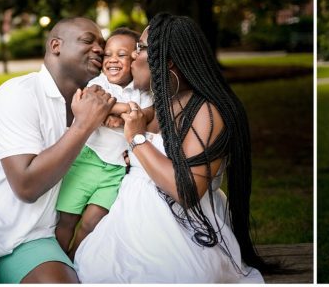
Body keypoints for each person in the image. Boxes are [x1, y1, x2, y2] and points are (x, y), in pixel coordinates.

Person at [74, 14, 265, 283]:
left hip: (178, 236)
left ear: (168, 60)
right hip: (128, 226)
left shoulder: (206, 111)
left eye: (139, 48)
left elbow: (186, 190)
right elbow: (134, 116)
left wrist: (137, 140)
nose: (133, 57)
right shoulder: (167, 103)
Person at [0, 18, 116, 284]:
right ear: (56, 46)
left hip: (34, 237)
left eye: (102, 44)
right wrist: (83, 126)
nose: (99, 49)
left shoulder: (91, 103)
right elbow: (26, 185)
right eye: (88, 40)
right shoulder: (18, 94)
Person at [55, 27, 153, 256]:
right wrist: (124, 112)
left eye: (121, 54)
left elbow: (150, 114)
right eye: (108, 55)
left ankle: (74, 262)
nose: (112, 60)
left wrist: (113, 112)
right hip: (86, 161)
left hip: (116, 170)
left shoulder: (142, 90)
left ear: (135, 58)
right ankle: (56, 263)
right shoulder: (98, 83)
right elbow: (90, 101)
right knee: (66, 219)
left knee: (92, 223)